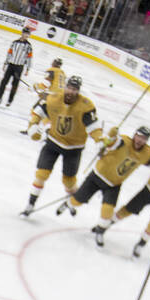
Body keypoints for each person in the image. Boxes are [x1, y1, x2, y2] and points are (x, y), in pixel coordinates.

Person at [56, 125, 150, 248]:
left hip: (114, 184)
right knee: (78, 201)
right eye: (139, 136)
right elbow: (109, 144)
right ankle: (69, 204)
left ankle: (100, 231)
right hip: (97, 176)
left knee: (108, 212)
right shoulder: (123, 141)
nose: (140, 140)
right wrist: (110, 137)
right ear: (134, 135)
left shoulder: (147, 153)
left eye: (144, 138)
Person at [19, 75, 103, 217]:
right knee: (41, 174)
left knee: (69, 181)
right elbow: (37, 113)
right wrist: (32, 125)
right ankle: (30, 203)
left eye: (74, 89)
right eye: (69, 88)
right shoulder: (53, 99)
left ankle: (71, 201)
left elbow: (94, 128)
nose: (71, 91)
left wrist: (99, 141)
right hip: (53, 141)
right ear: (65, 87)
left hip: (74, 148)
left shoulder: (85, 106)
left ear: (78, 91)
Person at [20, 58, 65, 134]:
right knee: (49, 115)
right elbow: (57, 87)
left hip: (50, 96)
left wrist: (35, 87)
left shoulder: (52, 70)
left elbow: (46, 84)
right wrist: (43, 93)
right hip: (60, 98)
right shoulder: (62, 73)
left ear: (53, 63)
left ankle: (31, 130)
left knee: (35, 111)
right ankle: (47, 132)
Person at [0, 26, 33, 106]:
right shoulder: (14, 42)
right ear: (22, 33)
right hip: (11, 65)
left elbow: (29, 58)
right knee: (4, 82)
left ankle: (10, 100)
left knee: (15, 84)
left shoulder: (29, 46)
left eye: (28, 34)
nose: (26, 35)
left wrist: (27, 69)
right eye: (25, 33)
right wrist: (5, 63)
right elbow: (9, 53)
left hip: (19, 67)